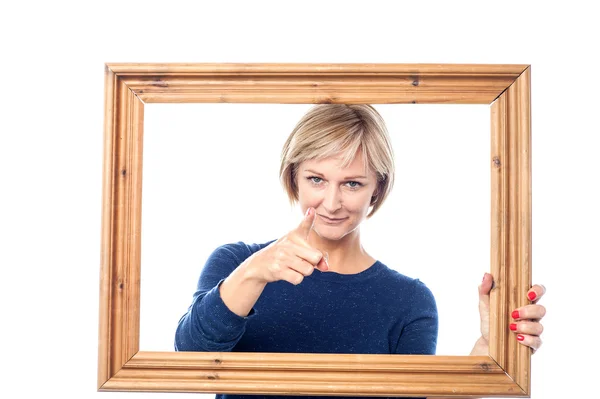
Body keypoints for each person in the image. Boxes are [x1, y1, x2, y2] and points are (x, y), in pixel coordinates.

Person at [174, 104, 546, 397]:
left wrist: (485, 355)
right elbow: (189, 361)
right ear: (293, 177)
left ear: (377, 190)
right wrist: (255, 272)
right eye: (316, 179)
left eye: (352, 183)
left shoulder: (408, 300)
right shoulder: (235, 263)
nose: (332, 202)